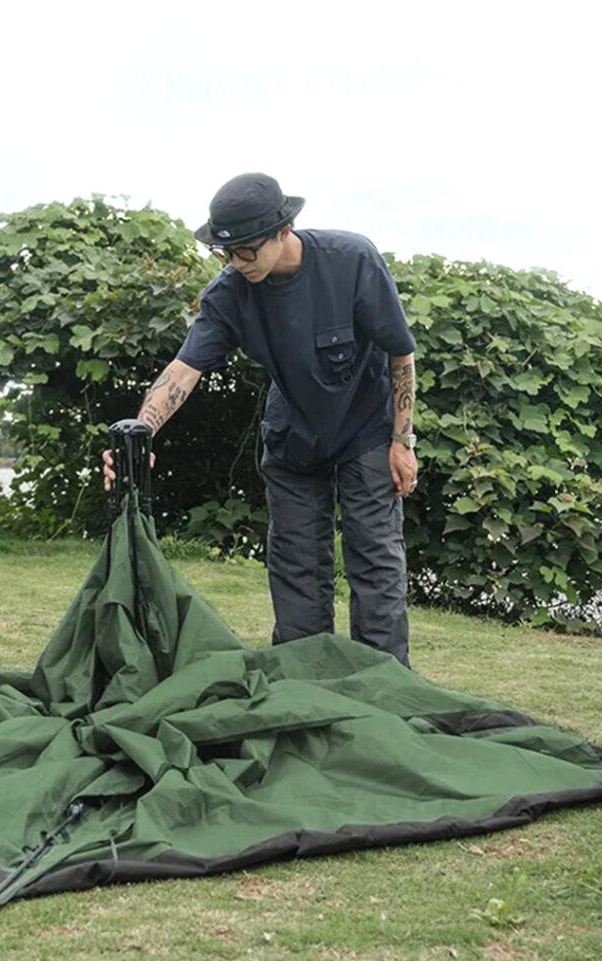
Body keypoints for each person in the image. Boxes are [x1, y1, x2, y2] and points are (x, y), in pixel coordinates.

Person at [103, 172, 417, 667]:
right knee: (296, 565)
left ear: (283, 230)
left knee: (376, 560)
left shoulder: (352, 260)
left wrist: (403, 439)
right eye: (226, 252)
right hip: (294, 434)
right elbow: (183, 370)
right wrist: (140, 434)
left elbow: (400, 353)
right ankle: (301, 681)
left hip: (367, 429)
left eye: (246, 250)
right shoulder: (229, 293)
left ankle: (384, 683)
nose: (237, 263)